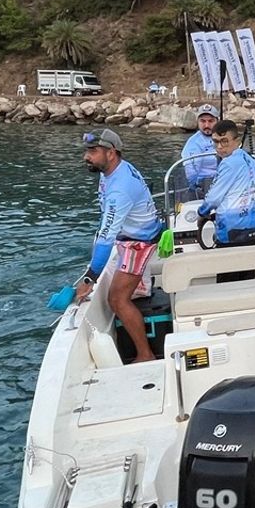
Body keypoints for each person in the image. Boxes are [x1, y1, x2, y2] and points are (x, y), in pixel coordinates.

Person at [76, 129, 164, 364]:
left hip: (138, 243)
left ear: (111, 153)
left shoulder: (120, 188)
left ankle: (145, 354)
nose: (87, 157)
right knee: (120, 294)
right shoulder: (112, 171)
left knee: (117, 300)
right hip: (130, 236)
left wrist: (89, 279)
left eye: (93, 151)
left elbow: (106, 237)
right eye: (87, 151)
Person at [200, 120, 255, 248]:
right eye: (216, 142)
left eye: (224, 141)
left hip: (232, 231)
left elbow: (213, 198)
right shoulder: (246, 157)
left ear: (237, 141)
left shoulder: (228, 164)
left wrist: (202, 213)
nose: (219, 147)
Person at [180, 104, 219, 198]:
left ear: (217, 121)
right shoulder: (194, 143)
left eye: (211, 121)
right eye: (203, 121)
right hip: (204, 188)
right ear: (197, 122)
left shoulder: (224, 138)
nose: (207, 125)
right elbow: (191, 173)